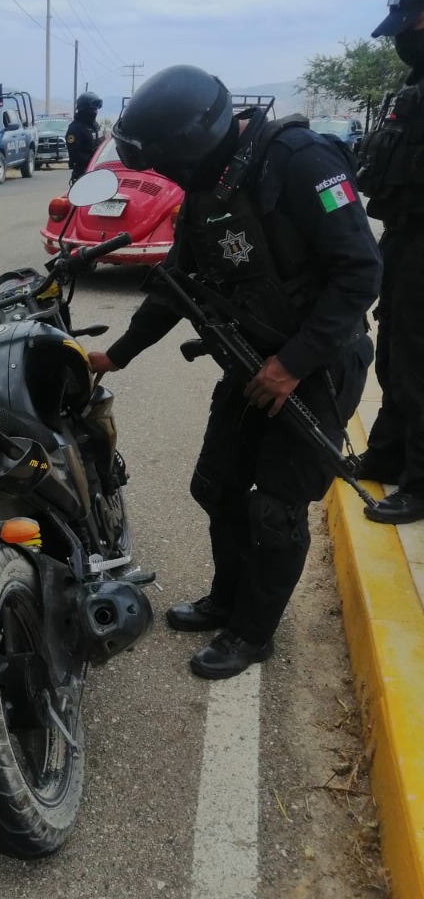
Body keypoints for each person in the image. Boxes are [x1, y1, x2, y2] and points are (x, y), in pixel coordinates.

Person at [88, 65, 381, 680]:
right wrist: (116, 354)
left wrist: (292, 364)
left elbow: (360, 272)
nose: (168, 177)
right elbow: (177, 286)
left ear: (189, 146)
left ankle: (253, 633)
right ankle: (227, 599)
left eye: (168, 163)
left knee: (275, 511)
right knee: (216, 487)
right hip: (251, 364)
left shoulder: (302, 161)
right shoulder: (211, 185)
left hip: (318, 367)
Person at [355, 0, 424, 525]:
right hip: (406, 240)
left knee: (422, 361)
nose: (403, 35)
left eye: (412, 22)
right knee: (398, 351)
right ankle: (389, 454)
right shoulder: (412, 87)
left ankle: (422, 481)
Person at [65, 90, 103, 181]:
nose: (95, 112)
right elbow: (75, 154)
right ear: (83, 109)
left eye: (96, 109)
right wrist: (93, 159)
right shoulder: (75, 129)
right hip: (83, 174)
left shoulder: (95, 126)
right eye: (92, 109)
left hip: (98, 171)